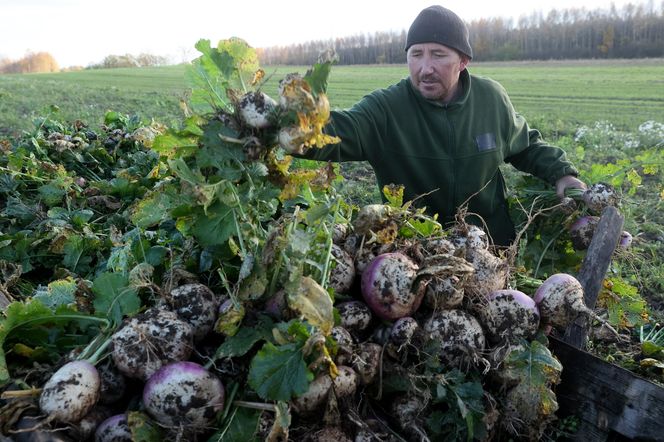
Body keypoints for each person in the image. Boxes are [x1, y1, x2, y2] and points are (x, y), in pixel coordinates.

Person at [292, 5, 586, 246]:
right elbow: (336, 131)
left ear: (463, 61)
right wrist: (284, 126)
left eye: (439, 54)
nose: (425, 68)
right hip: (413, 252)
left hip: (490, 250)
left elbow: (525, 145)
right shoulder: (385, 109)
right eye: (416, 54)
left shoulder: (490, 99)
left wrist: (563, 175)